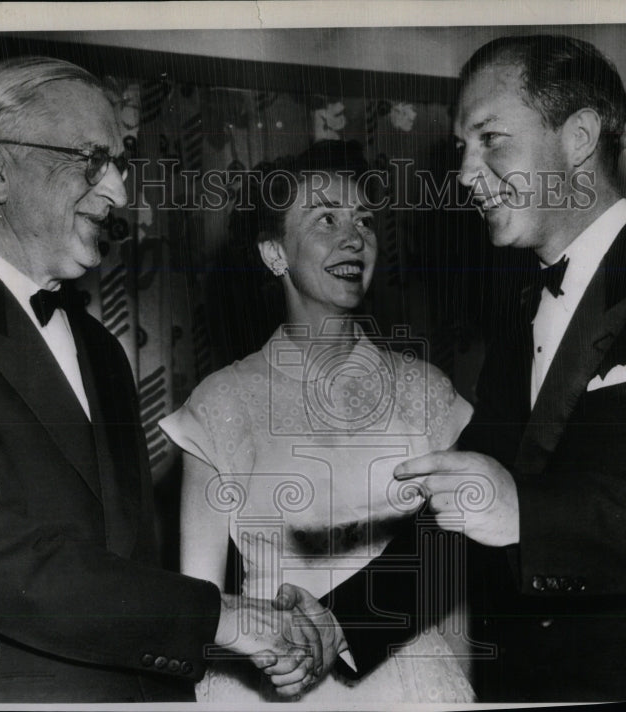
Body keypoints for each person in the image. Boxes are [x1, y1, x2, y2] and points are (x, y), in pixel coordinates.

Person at [0, 56, 335, 704]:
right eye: (92, 161)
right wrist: (230, 621)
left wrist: (233, 641)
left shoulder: (100, 349)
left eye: (120, 164)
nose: (120, 192)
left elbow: (129, 567)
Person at [390, 35, 626, 701]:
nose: (465, 174)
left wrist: (528, 511)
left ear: (579, 137)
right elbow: (463, 521)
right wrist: (335, 625)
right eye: (462, 147)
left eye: (489, 138)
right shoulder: (515, 315)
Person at [160, 140, 477, 703]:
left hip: (411, 683)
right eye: (325, 217)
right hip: (267, 683)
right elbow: (198, 607)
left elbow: (450, 580)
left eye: (364, 220)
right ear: (274, 253)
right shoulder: (220, 403)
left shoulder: (427, 393)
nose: (354, 236)